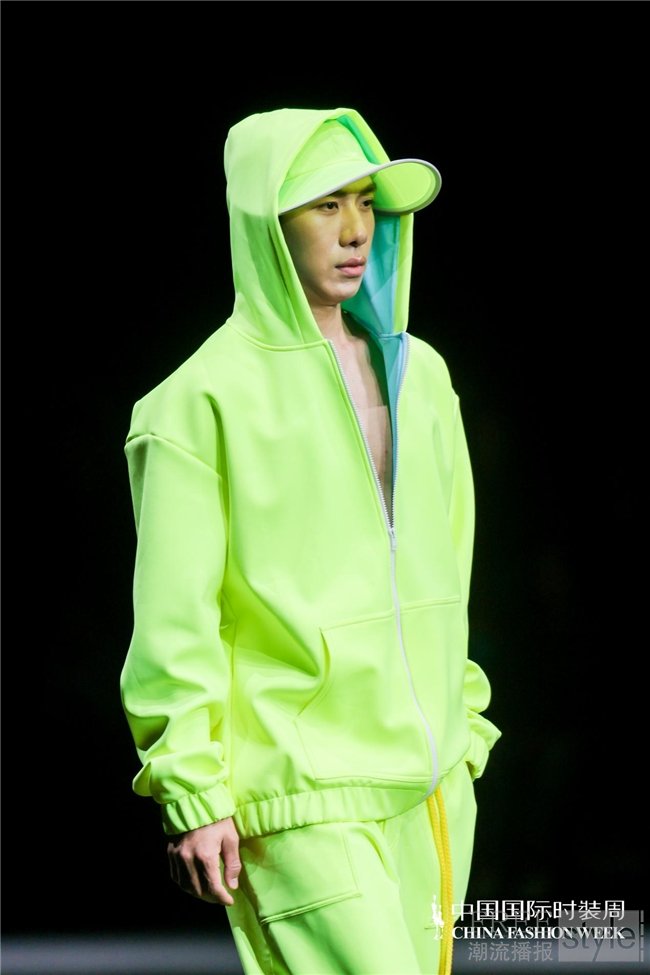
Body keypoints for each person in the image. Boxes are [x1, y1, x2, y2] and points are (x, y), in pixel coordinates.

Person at [120, 106, 502, 975]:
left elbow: (452, 558)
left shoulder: (422, 376)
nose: (357, 228)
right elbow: (175, 616)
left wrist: (464, 720)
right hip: (299, 796)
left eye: (365, 201)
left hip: (432, 785)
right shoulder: (196, 404)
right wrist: (193, 788)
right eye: (326, 204)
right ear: (265, 218)